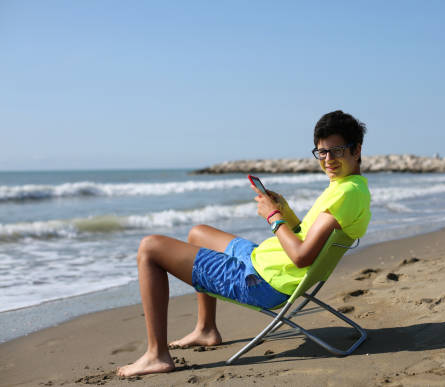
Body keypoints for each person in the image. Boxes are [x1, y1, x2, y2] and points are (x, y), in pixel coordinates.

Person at [117, 110, 371, 377]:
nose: (328, 160)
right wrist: (284, 211)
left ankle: (156, 355)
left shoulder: (345, 193)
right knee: (198, 233)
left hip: (262, 281)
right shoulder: (349, 187)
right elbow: (305, 237)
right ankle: (206, 329)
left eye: (337, 151)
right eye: (322, 152)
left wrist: (272, 217)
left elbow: (301, 257)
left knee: (149, 247)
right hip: (263, 261)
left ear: (356, 150)